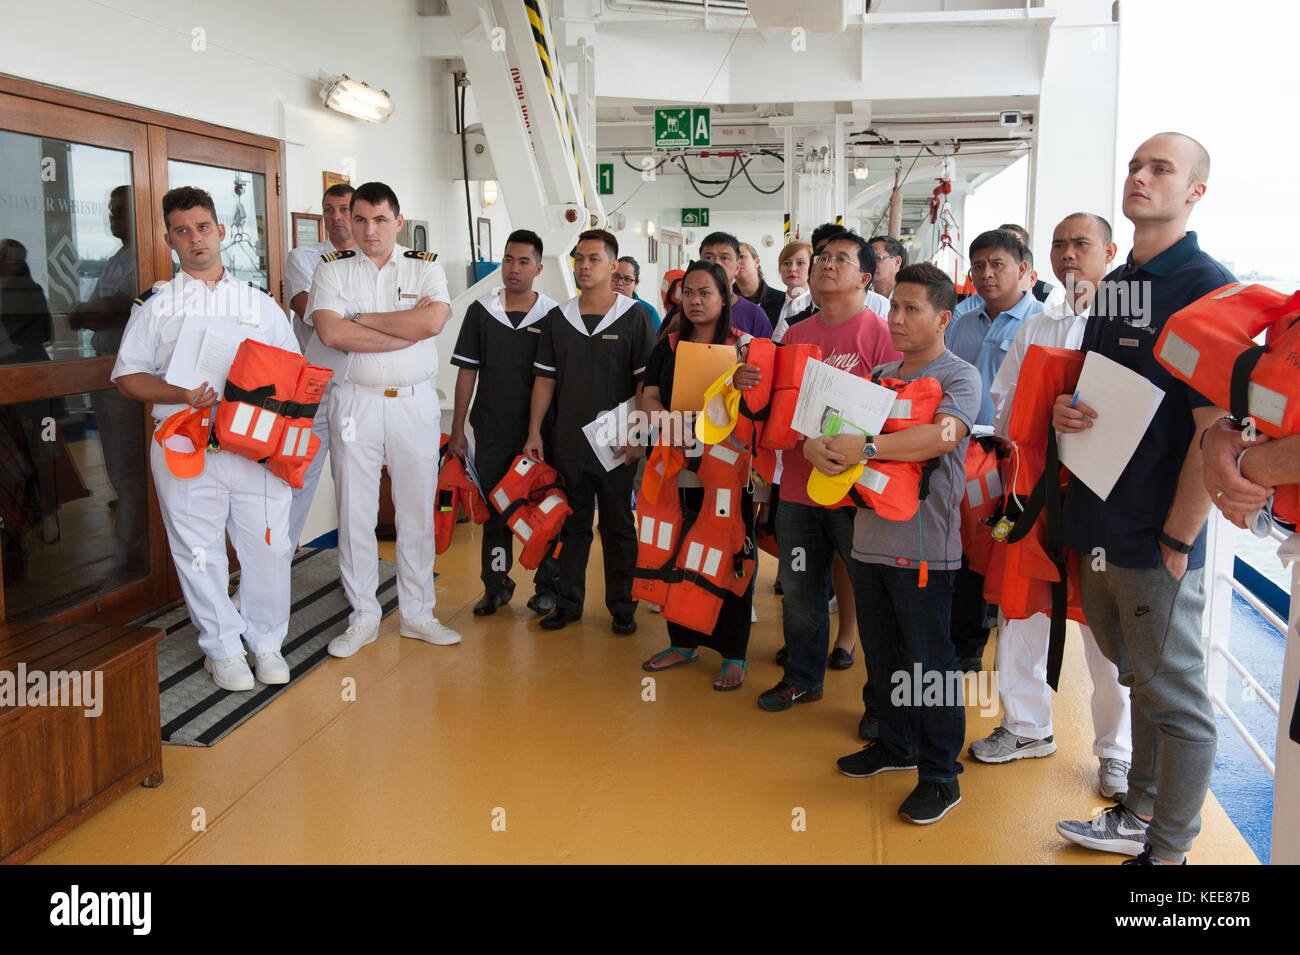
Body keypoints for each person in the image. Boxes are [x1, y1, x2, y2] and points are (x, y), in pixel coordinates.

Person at [1054, 132, 1234, 866]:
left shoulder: (1205, 286)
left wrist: (1179, 540)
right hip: (1101, 515)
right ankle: (1142, 810)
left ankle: (1169, 853)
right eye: (1134, 164)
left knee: (1177, 696)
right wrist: (1070, 406)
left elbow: (1212, 429)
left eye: (1162, 168)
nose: (1140, 176)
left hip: (1156, 532)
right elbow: (1107, 390)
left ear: (1194, 191)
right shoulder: (1122, 280)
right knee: (1141, 679)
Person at [808, 262, 982, 824]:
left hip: (926, 547)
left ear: (943, 318)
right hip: (868, 539)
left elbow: (941, 436)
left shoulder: (961, 378)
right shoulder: (878, 373)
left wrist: (861, 449)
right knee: (883, 655)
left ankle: (939, 776)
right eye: (895, 307)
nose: (898, 318)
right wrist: (817, 449)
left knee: (929, 665)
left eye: (912, 310)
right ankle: (896, 744)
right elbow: (824, 431)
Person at [967, 212, 1133, 798]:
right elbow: (1006, 401)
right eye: (1060, 244)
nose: (1069, 254)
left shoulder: (1126, 323)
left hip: (1101, 495)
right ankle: (1026, 724)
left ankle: (1117, 751)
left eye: (1081, 243)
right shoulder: (1037, 324)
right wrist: (1038, 418)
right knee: (1022, 609)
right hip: (1034, 489)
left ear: (1109, 251)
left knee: (1102, 623)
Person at [111, 186, 299, 691]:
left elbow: (295, 372)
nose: (195, 238)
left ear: (219, 231)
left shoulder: (259, 303)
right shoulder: (157, 304)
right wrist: (178, 391)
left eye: (202, 227)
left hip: (254, 446)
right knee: (198, 549)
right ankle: (222, 647)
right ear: (169, 239)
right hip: (183, 440)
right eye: (182, 230)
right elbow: (128, 376)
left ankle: (265, 641)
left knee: (267, 545)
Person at [305, 180, 460, 657]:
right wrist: (400, 325)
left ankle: (418, 614)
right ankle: (363, 616)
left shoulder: (425, 267)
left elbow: (432, 323)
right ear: (349, 222)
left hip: (414, 402)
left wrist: (362, 319)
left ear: (398, 221)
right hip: (356, 402)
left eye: (379, 220)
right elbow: (331, 333)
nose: (369, 229)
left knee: (415, 509)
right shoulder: (331, 272)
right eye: (359, 219)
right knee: (355, 511)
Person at [757, 231, 901, 712]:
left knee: (873, 598)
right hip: (799, 488)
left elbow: (891, 416)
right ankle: (801, 677)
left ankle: (880, 709)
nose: (825, 265)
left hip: (856, 494)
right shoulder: (796, 333)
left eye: (841, 259)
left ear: (865, 276)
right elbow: (783, 405)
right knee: (799, 590)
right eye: (822, 258)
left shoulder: (881, 336)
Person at [525, 229, 657, 633]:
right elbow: (544, 380)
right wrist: (534, 432)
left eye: (594, 259)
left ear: (613, 265)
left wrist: (637, 436)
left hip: (616, 446)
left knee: (618, 525)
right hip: (568, 441)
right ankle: (568, 603)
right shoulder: (558, 319)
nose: (584, 265)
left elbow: (644, 385)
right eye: (579, 258)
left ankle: (622, 606)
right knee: (573, 524)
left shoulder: (634, 317)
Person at [639, 260, 758, 690]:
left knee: (728, 554)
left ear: (725, 297)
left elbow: (758, 408)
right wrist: (669, 422)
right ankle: (683, 641)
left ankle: (734, 653)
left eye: (705, 292)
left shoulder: (745, 348)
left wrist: (748, 384)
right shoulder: (667, 347)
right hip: (676, 463)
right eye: (688, 292)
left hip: (727, 471)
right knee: (673, 548)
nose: (694, 300)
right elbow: (649, 397)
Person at [943, 229, 1044, 672]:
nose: (986, 274)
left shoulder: (1043, 323)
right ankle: (966, 644)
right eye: (978, 265)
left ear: (1022, 269)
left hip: (1018, 457)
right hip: (966, 454)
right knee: (967, 546)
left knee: (1010, 547)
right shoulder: (962, 324)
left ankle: (1013, 646)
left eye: (997, 264)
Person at [449, 229, 560, 617]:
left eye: (523, 261)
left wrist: (538, 431)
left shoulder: (553, 314)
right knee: (496, 512)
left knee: (543, 509)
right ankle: (496, 585)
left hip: (540, 432)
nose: (514, 269)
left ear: (539, 268)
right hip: (491, 429)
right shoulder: (481, 311)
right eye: (508, 260)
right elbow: (466, 372)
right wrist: (457, 428)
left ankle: (547, 586)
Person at [68, 186, 148, 581]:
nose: (114, 217)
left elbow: (114, 310)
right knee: (119, 470)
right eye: (111, 210)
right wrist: (85, 313)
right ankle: (132, 551)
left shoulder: (143, 258)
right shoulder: (117, 258)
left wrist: (82, 313)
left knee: (130, 471)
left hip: (128, 379)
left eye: (121, 210)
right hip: (105, 374)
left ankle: (132, 560)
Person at [283, 182, 355, 548]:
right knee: (297, 479)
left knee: (355, 485)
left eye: (344, 209)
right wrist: (364, 317)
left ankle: (357, 578)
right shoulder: (304, 259)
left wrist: (352, 317)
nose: (336, 217)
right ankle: (273, 569)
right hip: (313, 388)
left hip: (359, 386)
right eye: (329, 209)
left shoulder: (374, 261)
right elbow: (312, 314)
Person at [697, 232, 774, 338]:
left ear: (737, 267)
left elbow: (767, 353)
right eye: (709, 257)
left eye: (724, 258)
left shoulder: (754, 315)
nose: (717, 263)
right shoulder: (685, 309)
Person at [770, 240, 812, 338]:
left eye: (800, 263)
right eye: (786, 263)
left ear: (812, 268)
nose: (792, 268)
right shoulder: (766, 307)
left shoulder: (820, 308)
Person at [735, 241, 784, 318]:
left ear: (757, 261)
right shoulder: (723, 300)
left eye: (741, 256)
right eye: (732, 258)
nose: (737, 262)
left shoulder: (781, 300)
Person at [613, 255, 661, 331]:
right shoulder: (597, 308)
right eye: (615, 276)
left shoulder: (648, 312)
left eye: (627, 279)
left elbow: (658, 342)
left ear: (636, 284)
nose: (620, 282)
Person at [868, 235, 905, 301]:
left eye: (877, 258)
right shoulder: (863, 298)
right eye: (868, 258)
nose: (870, 263)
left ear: (897, 262)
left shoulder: (909, 296)